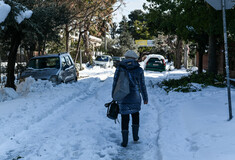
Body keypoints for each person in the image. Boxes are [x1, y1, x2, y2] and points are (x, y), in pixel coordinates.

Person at [112, 50, 148, 147]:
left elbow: (115, 83)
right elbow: (142, 85)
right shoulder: (139, 69)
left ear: (126, 58)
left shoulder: (120, 68)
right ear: (134, 58)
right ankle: (135, 136)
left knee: (125, 117)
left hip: (123, 96)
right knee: (135, 114)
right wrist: (145, 97)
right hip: (135, 96)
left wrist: (114, 95)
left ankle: (125, 141)